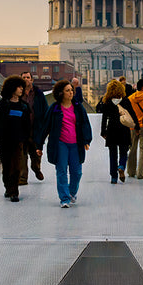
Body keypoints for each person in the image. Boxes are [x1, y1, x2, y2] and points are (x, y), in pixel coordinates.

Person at [36, 80, 93, 208]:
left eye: (72, 90)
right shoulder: (54, 108)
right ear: (61, 93)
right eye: (68, 90)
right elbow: (45, 127)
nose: (71, 93)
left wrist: (86, 140)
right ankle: (64, 198)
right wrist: (39, 146)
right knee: (61, 171)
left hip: (76, 144)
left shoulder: (78, 107)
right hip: (60, 144)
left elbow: (85, 123)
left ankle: (72, 192)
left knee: (77, 172)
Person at [0, 76, 32, 202]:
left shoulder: (24, 106)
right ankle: (8, 187)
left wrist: (27, 138)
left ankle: (14, 192)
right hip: (5, 141)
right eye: (19, 87)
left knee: (17, 167)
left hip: (18, 141)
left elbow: (27, 124)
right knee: (6, 167)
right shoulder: (3, 104)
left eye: (22, 87)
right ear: (12, 88)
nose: (21, 89)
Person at [97, 80, 133, 184]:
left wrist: (103, 131)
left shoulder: (107, 102)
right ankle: (121, 166)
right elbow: (132, 114)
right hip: (124, 128)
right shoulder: (126, 101)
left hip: (112, 129)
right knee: (124, 151)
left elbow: (104, 118)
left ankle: (113, 177)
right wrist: (135, 126)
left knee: (112, 154)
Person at [18, 72, 48, 184]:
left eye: (28, 77)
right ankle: (22, 178)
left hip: (36, 129)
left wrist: (46, 127)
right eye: (24, 78)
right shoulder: (18, 94)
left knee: (35, 155)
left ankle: (36, 169)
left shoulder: (39, 94)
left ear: (32, 80)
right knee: (22, 155)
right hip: (22, 130)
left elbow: (45, 110)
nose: (26, 79)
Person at [126, 79, 143, 179]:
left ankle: (131, 171)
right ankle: (141, 172)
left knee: (132, 148)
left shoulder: (130, 98)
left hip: (132, 126)